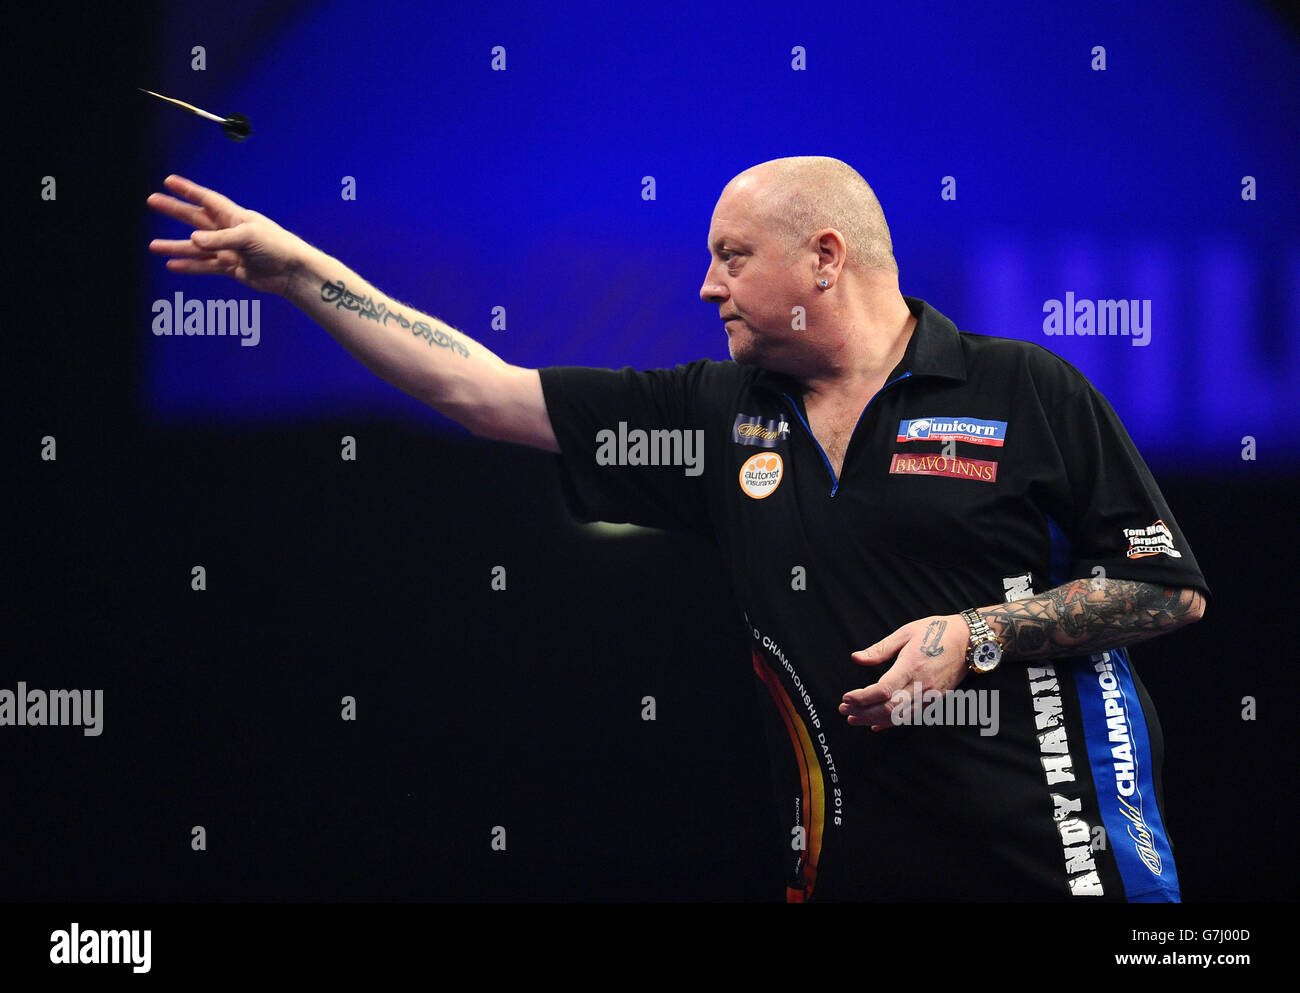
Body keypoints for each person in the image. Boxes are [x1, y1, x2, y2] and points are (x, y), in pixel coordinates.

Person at [147, 156, 1208, 901]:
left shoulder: (1026, 387)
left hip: (1063, 868)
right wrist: (301, 275)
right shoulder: (715, 413)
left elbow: (1168, 587)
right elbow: (484, 392)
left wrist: (977, 633)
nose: (707, 287)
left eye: (733, 257)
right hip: (847, 874)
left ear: (825, 259)